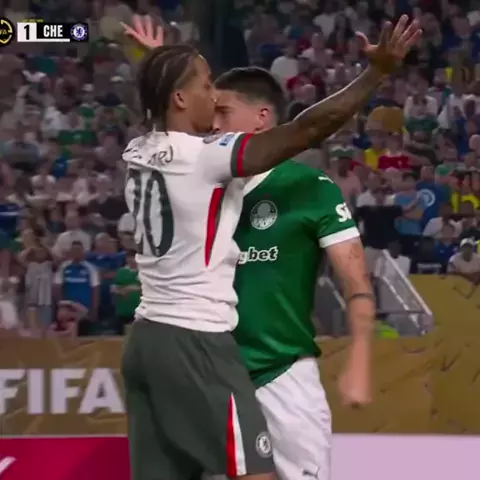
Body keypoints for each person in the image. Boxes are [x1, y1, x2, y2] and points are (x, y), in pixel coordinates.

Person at [120, 14, 421, 480]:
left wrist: (154, 63)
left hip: (149, 340)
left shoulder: (139, 150)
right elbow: (308, 129)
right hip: (198, 342)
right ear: (180, 98)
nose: (213, 99)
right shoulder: (207, 159)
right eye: (206, 88)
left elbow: (164, 112)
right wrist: (376, 73)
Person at [211, 65, 374, 480]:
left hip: (283, 376)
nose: (212, 124)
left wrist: (359, 359)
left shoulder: (310, 187)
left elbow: (356, 281)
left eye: (222, 112)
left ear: (261, 118)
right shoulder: (204, 187)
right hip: (214, 377)